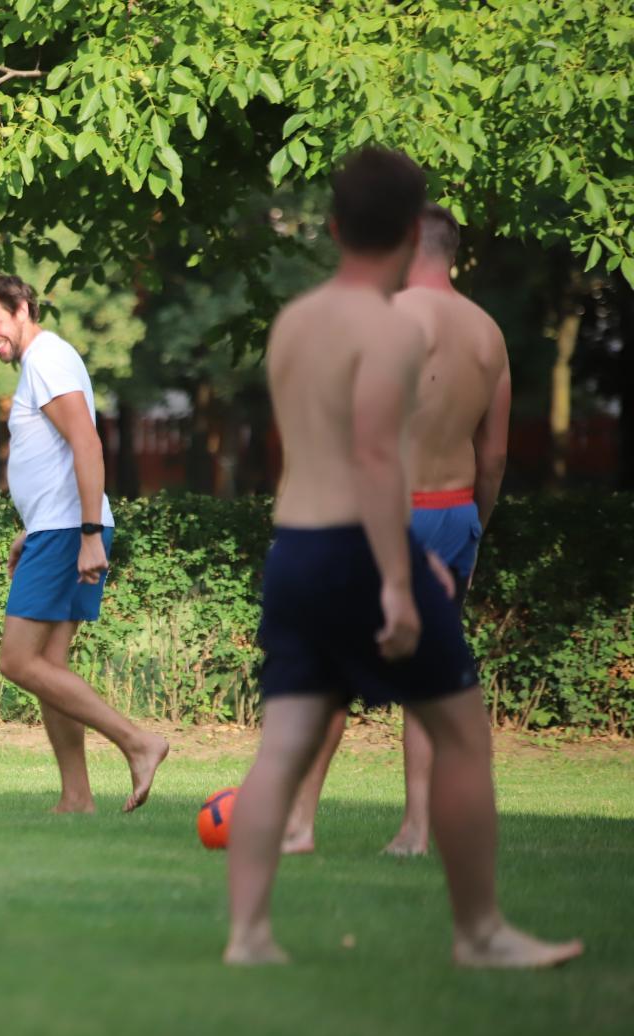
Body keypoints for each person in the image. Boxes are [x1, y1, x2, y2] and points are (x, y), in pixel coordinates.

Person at [224, 148, 581, 968]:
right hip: (362, 546)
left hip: (296, 547)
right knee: (461, 732)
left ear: (334, 227)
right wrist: (398, 580)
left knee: (283, 744)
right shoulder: (388, 329)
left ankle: (248, 937)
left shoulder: (295, 321)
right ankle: (479, 933)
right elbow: (379, 458)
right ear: (413, 231)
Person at [282, 202, 513, 857]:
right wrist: (474, 528)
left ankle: (299, 825)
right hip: (456, 512)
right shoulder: (489, 333)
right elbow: (494, 454)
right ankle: (415, 830)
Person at [0, 273, 170, 814]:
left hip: (69, 530)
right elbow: (55, 460)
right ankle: (77, 797)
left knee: (17, 661)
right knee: (49, 665)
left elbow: (86, 443)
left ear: (22, 309)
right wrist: (31, 529)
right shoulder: (41, 362)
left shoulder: (46, 360)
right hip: (54, 527)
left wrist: (89, 535)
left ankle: (138, 743)